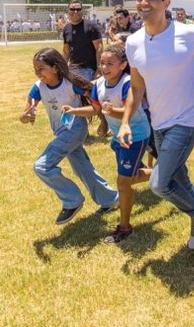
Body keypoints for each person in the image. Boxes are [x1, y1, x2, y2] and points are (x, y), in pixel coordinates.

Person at [118, 0, 194, 251]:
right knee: (178, 177)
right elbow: (136, 86)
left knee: (159, 183)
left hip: (187, 120)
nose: (144, 2)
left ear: (166, 3)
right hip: (159, 122)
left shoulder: (188, 33)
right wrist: (125, 122)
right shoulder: (133, 42)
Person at [61, 45, 152, 243]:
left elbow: (132, 110)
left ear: (123, 65)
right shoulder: (99, 84)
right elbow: (95, 109)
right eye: (102, 63)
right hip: (118, 138)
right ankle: (164, 174)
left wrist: (111, 111)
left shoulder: (128, 83)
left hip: (135, 136)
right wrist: (73, 111)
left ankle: (125, 228)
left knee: (123, 183)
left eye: (110, 63)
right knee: (130, 178)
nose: (104, 67)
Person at [19, 48, 118, 225]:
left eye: (41, 68)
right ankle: (110, 199)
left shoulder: (71, 84)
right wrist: (26, 116)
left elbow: (96, 102)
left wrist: (104, 122)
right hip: (61, 131)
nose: (37, 73)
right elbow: (25, 113)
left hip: (75, 129)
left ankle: (72, 201)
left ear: (55, 67)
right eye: (35, 69)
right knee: (82, 168)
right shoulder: (38, 87)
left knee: (42, 166)